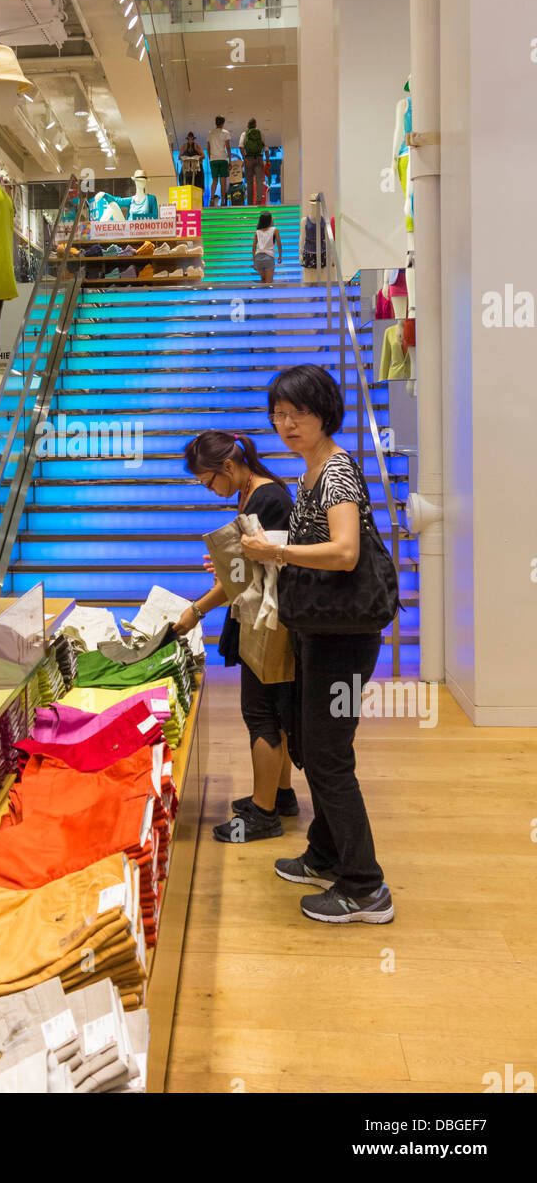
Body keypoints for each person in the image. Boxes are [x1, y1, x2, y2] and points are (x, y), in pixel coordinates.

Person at [240, 365, 394, 924]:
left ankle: (365, 886)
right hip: (320, 632)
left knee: (328, 758)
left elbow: (346, 551)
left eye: (296, 414)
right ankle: (327, 854)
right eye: (278, 415)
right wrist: (254, 553)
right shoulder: (308, 474)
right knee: (315, 746)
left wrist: (275, 554)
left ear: (324, 412)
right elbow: (312, 543)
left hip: (345, 638)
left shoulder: (335, 471)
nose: (285, 425)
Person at [174, 432, 300, 843]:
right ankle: (278, 796)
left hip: (270, 624)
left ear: (227, 467)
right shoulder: (260, 494)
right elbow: (246, 571)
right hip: (268, 619)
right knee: (274, 715)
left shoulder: (266, 500)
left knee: (261, 715)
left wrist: (196, 610)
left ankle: (264, 815)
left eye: (209, 481)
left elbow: (244, 580)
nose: (210, 490)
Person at [239, 117, 265, 206]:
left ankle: (250, 203)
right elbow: (265, 147)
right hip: (259, 158)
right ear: (255, 125)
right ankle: (258, 201)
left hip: (248, 159)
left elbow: (241, 147)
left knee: (249, 182)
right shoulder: (260, 133)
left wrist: (244, 159)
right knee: (259, 181)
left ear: (248, 125)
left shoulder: (244, 134)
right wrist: (267, 159)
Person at [206, 115, 231, 207]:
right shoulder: (226, 133)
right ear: (223, 123)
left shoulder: (210, 133)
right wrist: (230, 160)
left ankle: (212, 199)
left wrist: (210, 159)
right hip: (223, 159)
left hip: (213, 159)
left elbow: (208, 147)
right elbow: (228, 147)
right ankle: (223, 201)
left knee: (215, 180)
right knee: (223, 180)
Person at [252, 211, 282, 284]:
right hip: (268, 257)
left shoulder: (257, 232)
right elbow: (279, 244)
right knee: (269, 283)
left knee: (262, 280)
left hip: (258, 258)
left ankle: (261, 295)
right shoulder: (275, 230)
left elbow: (253, 248)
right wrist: (280, 256)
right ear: (269, 220)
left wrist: (254, 261)